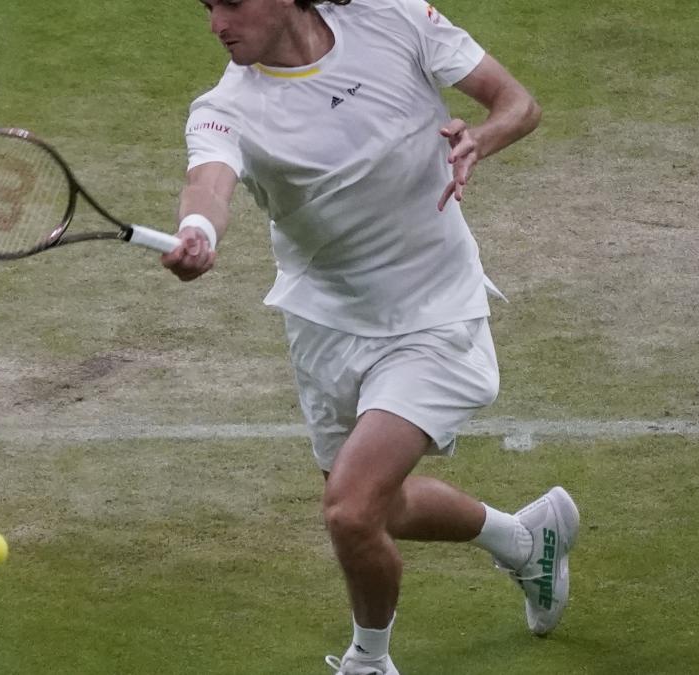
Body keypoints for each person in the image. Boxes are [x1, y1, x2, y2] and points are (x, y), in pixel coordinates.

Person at [161, 0, 580, 672]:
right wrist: (199, 233)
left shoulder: (396, 19)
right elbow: (207, 183)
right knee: (381, 507)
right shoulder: (225, 106)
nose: (217, 23)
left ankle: (369, 660)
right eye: (207, 7)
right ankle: (526, 540)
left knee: (351, 511)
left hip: (435, 313)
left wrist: (484, 137)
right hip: (326, 328)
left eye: (231, 2)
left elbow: (517, 103)